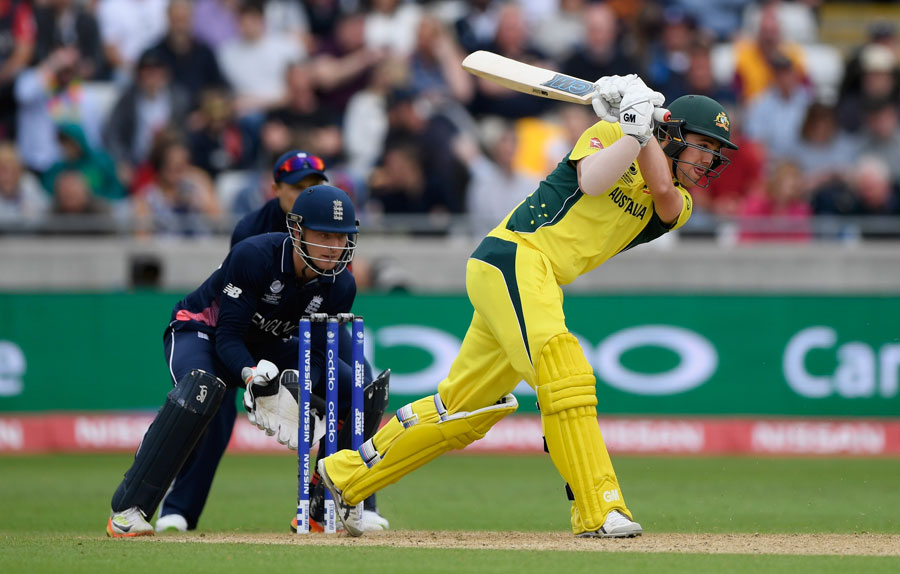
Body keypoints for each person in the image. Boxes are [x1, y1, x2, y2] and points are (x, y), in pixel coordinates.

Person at [310, 79, 737, 538]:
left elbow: (663, 195)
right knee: (564, 371)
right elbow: (592, 181)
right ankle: (598, 508)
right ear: (676, 136)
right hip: (514, 256)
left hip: (538, 279)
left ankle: (344, 477)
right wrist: (631, 131)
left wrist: (642, 130)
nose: (709, 160)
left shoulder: (682, 201)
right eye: (703, 146)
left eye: (715, 152)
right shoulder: (611, 134)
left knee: (462, 413)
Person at [107, 184, 371, 537]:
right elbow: (227, 337)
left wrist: (297, 387)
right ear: (297, 231)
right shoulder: (255, 256)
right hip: (200, 330)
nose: (334, 247)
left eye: (341, 238)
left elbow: (319, 354)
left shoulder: (341, 286)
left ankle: (320, 508)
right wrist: (252, 379)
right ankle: (129, 510)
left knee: (352, 386)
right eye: (323, 235)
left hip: (267, 343)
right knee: (203, 387)